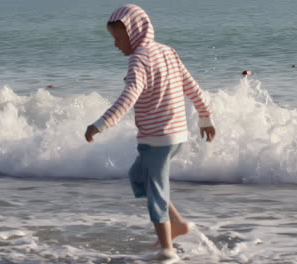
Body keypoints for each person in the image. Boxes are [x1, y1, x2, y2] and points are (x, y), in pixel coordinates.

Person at [84, 4, 216, 261]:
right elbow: (192, 87)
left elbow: (129, 96)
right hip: (176, 136)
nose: (116, 45)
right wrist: (205, 117)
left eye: (118, 39)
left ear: (133, 32)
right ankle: (177, 224)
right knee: (139, 176)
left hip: (157, 138)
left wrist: (100, 124)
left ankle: (168, 250)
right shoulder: (167, 52)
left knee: (155, 191)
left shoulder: (139, 58)